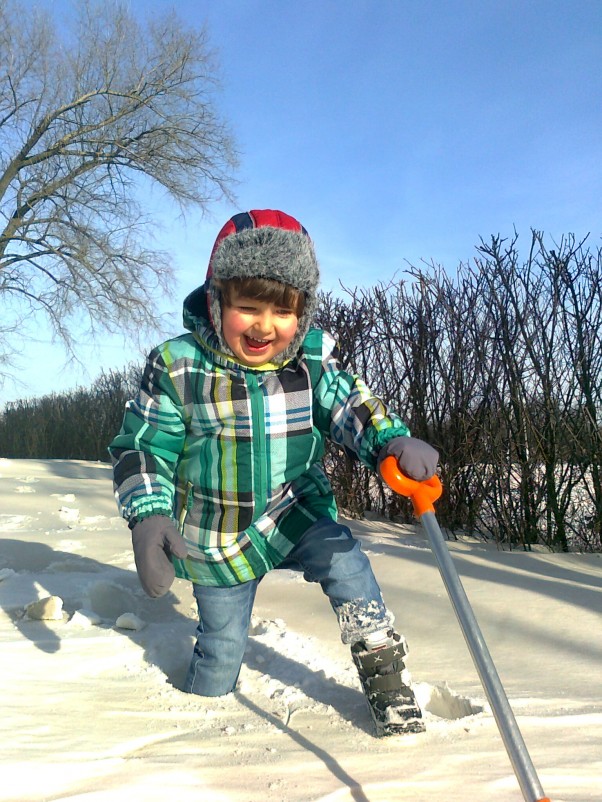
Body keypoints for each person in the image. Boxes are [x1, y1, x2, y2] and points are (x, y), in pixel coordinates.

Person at [109, 209, 438, 736]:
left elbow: (347, 405)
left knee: (348, 564)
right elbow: (145, 446)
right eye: (248, 307)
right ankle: (202, 711)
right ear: (217, 302)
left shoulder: (309, 359)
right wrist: (149, 516)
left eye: (283, 312)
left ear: (302, 314)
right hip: (217, 532)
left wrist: (388, 440)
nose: (265, 326)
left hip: (295, 508)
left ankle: (382, 665)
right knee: (221, 653)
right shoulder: (178, 365)